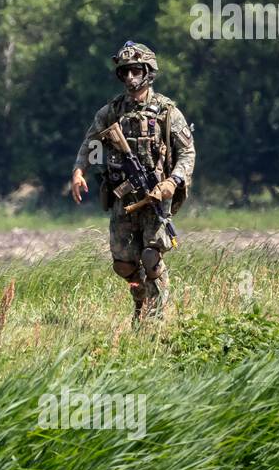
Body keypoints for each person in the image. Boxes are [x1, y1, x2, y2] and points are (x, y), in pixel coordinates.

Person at [70, 42, 195, 324]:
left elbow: (187, 152)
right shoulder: (112, 111)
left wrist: (173, 182)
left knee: (151, 258)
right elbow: (91, 142)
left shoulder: (167, 111)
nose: (129, 77)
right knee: (123, 264)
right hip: (123, 199)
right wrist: (79, 171)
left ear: (148, 72)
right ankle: (141, 299)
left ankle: (155, 318)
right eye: (124, 72)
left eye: (135, 71)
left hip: (154, 197)